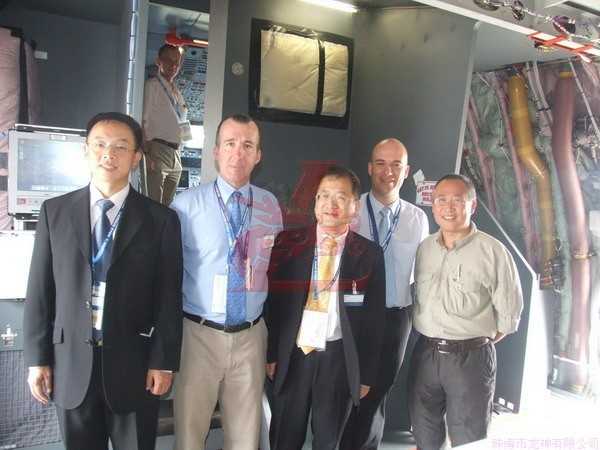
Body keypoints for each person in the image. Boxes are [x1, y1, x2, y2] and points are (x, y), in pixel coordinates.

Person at [24, 112, 183, 450]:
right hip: (70, 364)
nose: (108, 154)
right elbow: (39, 291)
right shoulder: (55, 212)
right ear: (86, 150)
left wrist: (163, 361)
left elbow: (168, 298)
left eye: (121, 147)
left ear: (136, 157)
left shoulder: (161, 220)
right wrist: (37, 359)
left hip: (135, 367)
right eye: (100, 144)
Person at [171, 113, 283, 450]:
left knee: (245, 439)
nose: (238, 152)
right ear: (216, 151)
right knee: (190, 436)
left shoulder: (270, 206)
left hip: (251, 337)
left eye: (248, 145)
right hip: (198, 336)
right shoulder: (185, 206)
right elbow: (167, 276)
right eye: (230, 143)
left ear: (258, 155)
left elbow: (275, 274)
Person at [266, 165, 386, 450]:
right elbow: (274, 305)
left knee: (329, 440)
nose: (330, 204)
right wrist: (271, 354)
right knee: (284, 437)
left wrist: (366, 374)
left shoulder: (369, 254)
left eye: (341, 197)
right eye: (323, 195)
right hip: (294, 356)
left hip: (338, 359)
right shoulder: (287, 243)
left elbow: (375, 320)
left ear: (354, 206)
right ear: (315, 201)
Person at [409, 174, 523, 449]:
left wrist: (473, 341)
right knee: (424, 432)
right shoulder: (425, 248)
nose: (448, 207)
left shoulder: (493, 251)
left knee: (469, 438)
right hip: (425, 354)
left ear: (472, 206)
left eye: (457, 200)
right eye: (441, 200)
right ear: (433, 205)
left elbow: (508, 317)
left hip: (470, 359)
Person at [340, 139, 429, 450]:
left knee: (378, 393)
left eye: (396, 165)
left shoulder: (417, 219)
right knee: (346, 391)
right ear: (369, 168)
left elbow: (423, 274)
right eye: (380, 163)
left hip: (395, 318)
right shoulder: (351, 210)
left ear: (406, 171)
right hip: (353, 316)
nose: (388, 171)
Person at [142, 43, 189, 205]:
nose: (173, 65)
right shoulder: (152, 86)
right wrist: (146, 154)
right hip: (157, 150)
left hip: (176, 154)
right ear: (158, 61)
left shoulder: (177, 92)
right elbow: (143, 120)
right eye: (168, 60)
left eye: (177, 62)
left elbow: (182, 123)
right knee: (154, 204)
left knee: (168, 207)